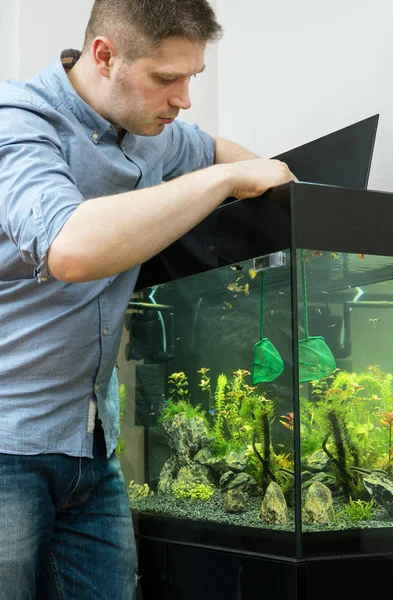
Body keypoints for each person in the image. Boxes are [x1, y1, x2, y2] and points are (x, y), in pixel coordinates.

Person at [0, 0, 296, 598]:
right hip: (8, 447)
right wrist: (222, 183)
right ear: (104, 56)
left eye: (192, 78)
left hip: (94, 447)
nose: (184, 98)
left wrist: (293, 193)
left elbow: (222, 152)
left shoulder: (151, 132)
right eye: (167, 78)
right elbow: (70, 247)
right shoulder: (18, 123)